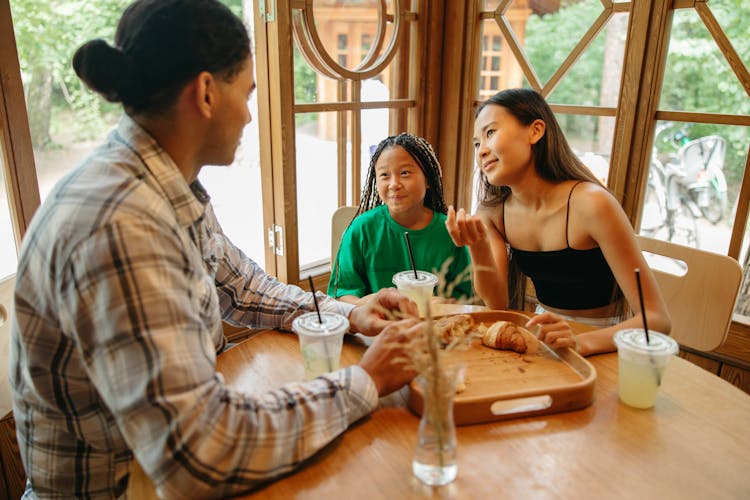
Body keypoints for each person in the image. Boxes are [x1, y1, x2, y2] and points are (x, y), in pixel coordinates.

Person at [9, 1, 420, 498]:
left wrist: (348, 315)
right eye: (247, 93)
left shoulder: (160, 183)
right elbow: (200, 454)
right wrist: (364, 381)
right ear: (206, 92)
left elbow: (243, 287)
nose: (250, 115)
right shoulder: (121, 225)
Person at [446, 88, 670, 356]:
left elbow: (656, 321)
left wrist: (580, 342)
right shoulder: (494, 212)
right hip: (544, 337)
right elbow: (497, 302)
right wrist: (478, 246)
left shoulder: (592, 204)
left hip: (604, 340)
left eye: (490, 133)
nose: (482, 150)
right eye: (476, 143)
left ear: (535, 131)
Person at [328, 133, 472, 304]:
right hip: (376, 327)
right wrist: (370, 303)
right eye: (384, 175)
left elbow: (466, 298)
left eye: (405, 173)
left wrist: (441, 304)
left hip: (434, 327)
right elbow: (341, 295)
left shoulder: (450, 231)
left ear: (428, 179)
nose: (394, 184)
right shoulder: (361, 230)